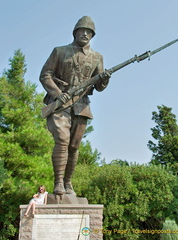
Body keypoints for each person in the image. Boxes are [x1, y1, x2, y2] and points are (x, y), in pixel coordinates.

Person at [39, 16, 110, 195]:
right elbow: (45, 75)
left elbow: (99, 87)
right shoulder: (60, 51)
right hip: (60, 105)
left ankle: (68, 183)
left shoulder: (97, 58)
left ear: (93, 35)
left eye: (89, 31)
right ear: (75, 32)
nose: (85, 34)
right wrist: (57, 94)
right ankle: (58, 184)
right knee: (62, 141)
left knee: (74, 146)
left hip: (81, 105)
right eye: (82, 30)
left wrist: (105, 79)